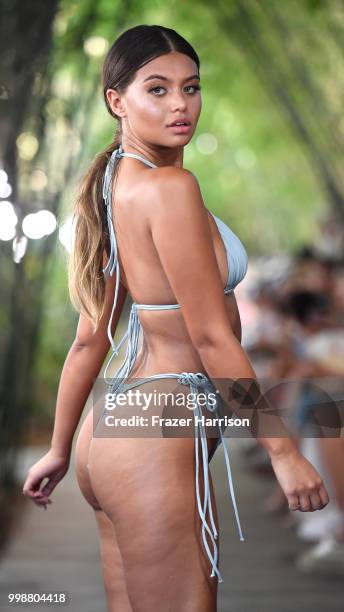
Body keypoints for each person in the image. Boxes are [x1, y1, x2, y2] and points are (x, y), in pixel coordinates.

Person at [22, 24, 330, 612]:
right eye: (157, 90)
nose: (180, 105)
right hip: (154, 438)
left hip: (110, 433)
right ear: (117, 100)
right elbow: (211, 335)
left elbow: (91, 339)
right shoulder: (170, 188)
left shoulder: (115, 185)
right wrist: (284, 453)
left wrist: (62, 449)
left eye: (190, 88)